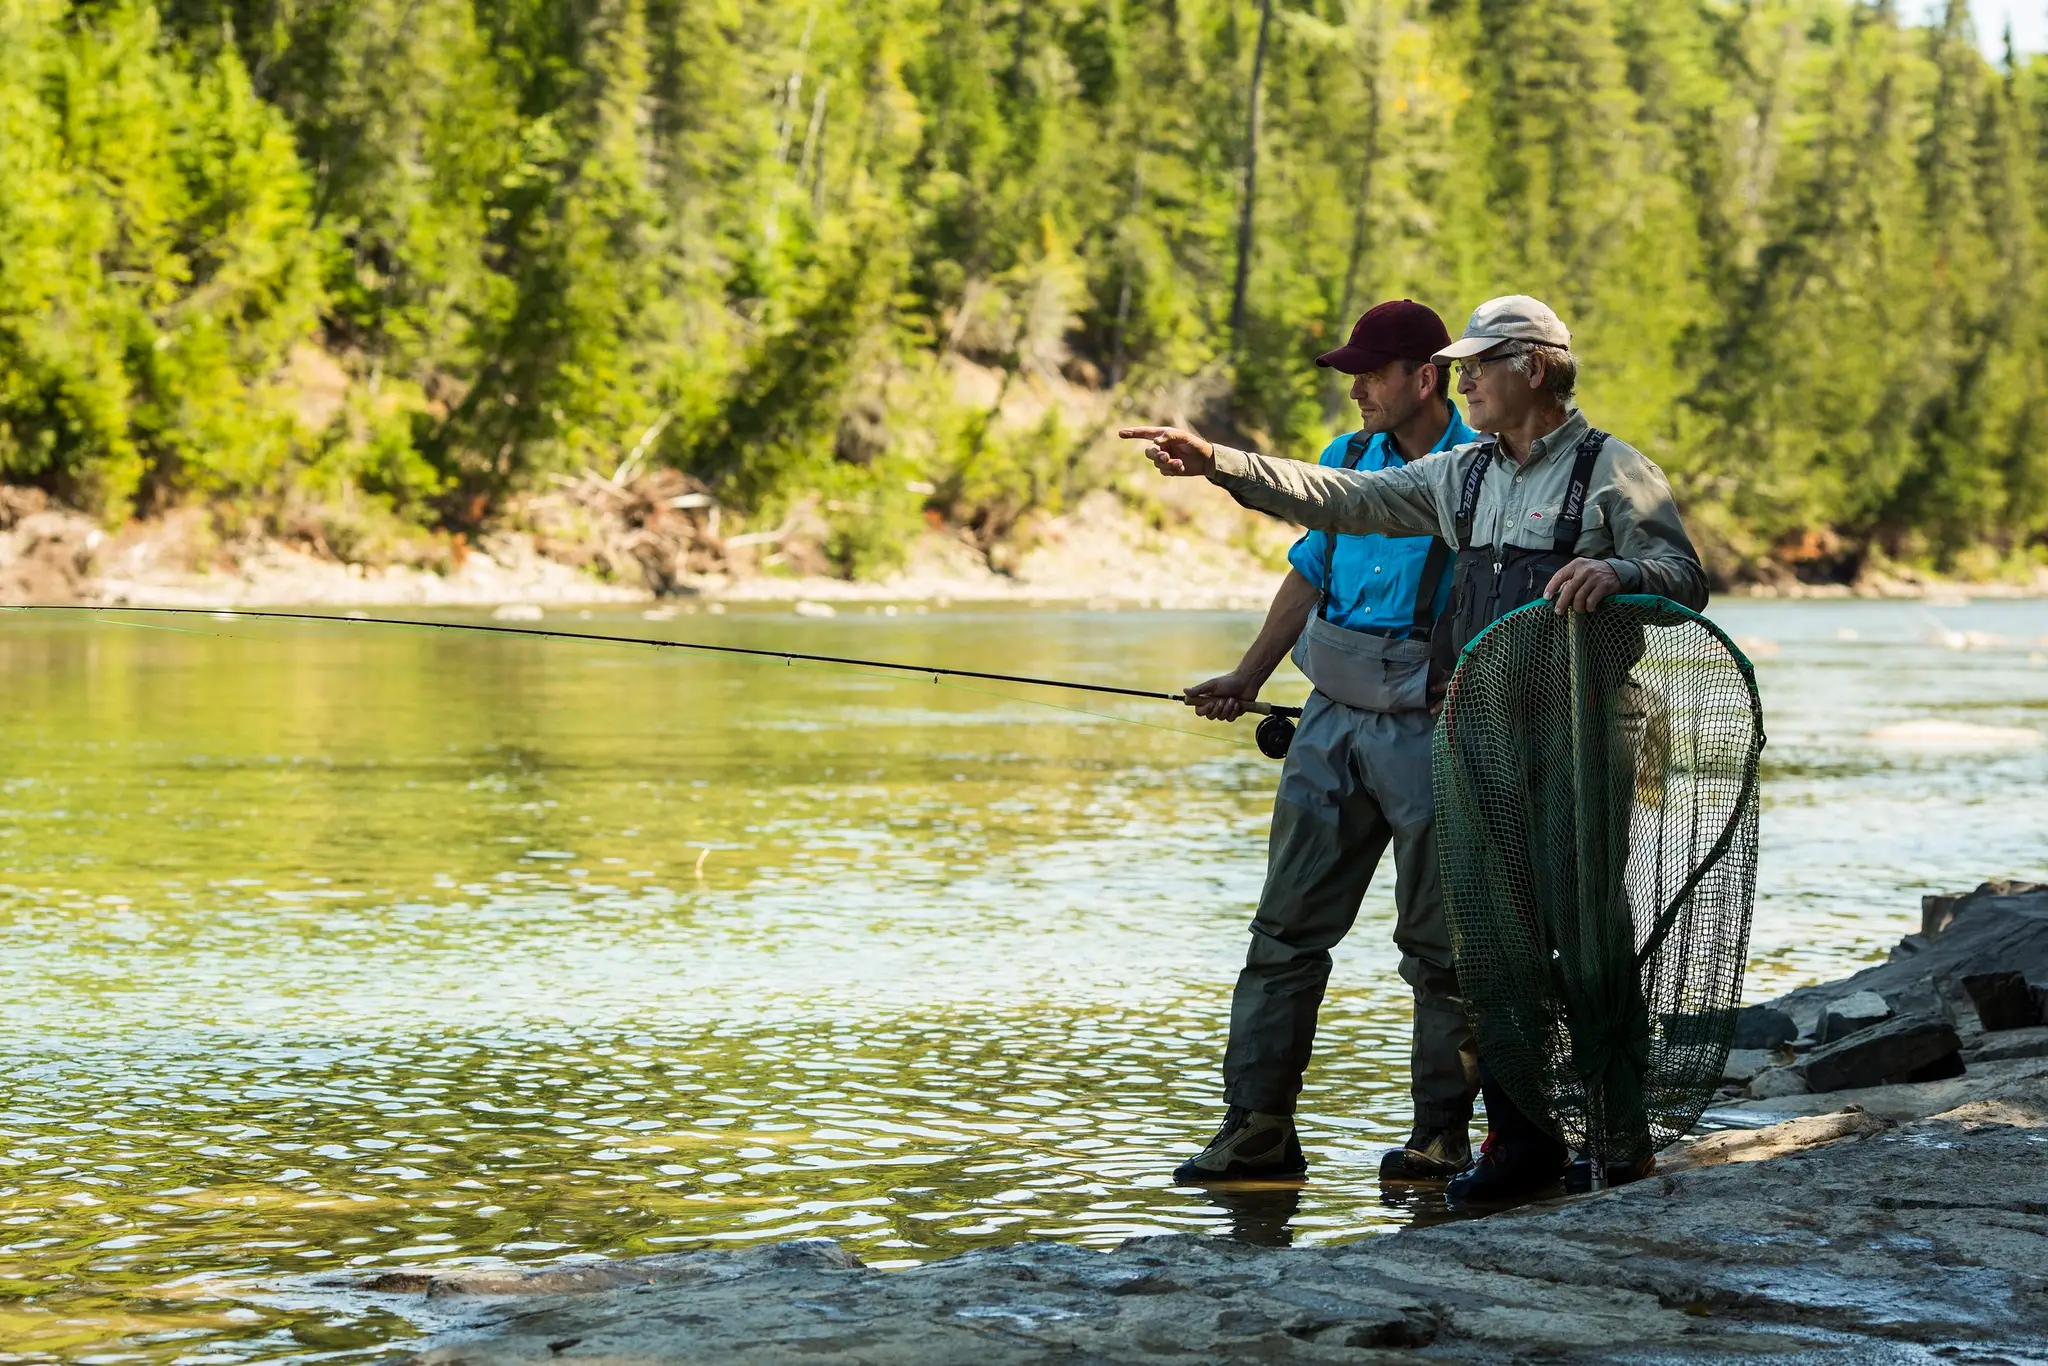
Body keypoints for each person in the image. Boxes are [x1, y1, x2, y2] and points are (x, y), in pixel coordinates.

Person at [1123, 295, 1708, 1204]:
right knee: (1495, 946)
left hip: (1584, 733)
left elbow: (1684, 578)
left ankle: (1618, 1140)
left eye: (1482, 364)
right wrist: (1219, 465)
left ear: (1538, 370)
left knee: (1590, 938)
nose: (1465, 376)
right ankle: (1521, 1148)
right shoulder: (1460, 476)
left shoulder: (1614, 472)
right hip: (1481, 736)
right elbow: (1345, 502)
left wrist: (1620, 570)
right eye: (1460, 364)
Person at [1165, 300, 1481, 1187]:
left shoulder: (1478, 473)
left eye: (1371, 375)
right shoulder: (1347, 461)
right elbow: (1307, 575)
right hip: (1330, 722)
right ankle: (1257, 1130)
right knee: (1284, 933)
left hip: (1433, 727)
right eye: (1350, 375)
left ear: (1426, 378)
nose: (1356, 392)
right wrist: (1247, 676)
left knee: (1440, 950)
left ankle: (1441, 1140)